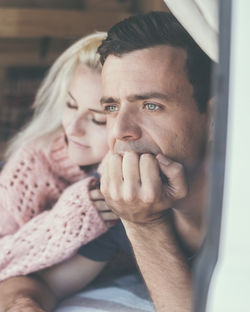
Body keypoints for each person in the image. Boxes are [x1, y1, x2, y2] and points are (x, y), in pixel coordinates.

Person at [0, 12, 213, 312]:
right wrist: (23, 303)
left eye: (151, 105)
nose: (121, 130)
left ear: (216, 116)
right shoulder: (122, 190)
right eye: (111, 108)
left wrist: (144, 224)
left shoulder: (233, 210)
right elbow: (40, 282)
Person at [0, 32, 118, 282]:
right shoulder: (32, 162)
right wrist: (69, 220)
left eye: (98, 119)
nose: (73, 128)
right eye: (71, 105)